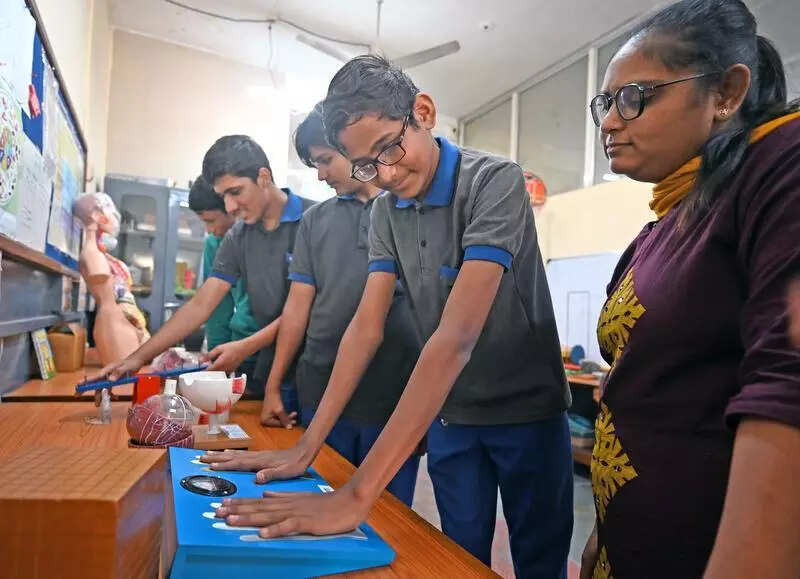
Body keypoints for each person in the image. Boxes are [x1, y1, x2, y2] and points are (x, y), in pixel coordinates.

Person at [210, 56, 573, 578]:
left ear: (422, 112)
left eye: (388, 148)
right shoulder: (385, 210)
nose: (384, 173)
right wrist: (305, 447)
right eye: (364, 165)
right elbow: (366, 327)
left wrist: (359, 493)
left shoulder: (496, 182)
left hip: (527, 414)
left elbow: (456, 337)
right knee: (459, 557)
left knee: (540, 559)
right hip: (451, 418)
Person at [577, 1, 800, 577]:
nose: (608, 122)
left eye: (633, 98)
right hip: (634, 541)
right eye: (604, 103)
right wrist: (606, 529)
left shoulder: (781, 163)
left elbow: (787, 385)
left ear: (725, 94)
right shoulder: (665, 224)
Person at [206, 106, 420, 504]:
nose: (319, 173)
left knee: (388, 513)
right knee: (314, 498)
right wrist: (273, 387)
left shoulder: (407, 212)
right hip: (319, 385)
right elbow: (297, 310)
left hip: (391, 389)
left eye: (325, 160)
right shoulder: (316, 220)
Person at [90, 136, 314, 411]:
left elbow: (306, 309)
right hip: (267, 367)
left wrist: (244, 346)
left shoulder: (314, 220)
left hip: (313, 368)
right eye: (223, 197)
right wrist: (137, 359)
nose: (230, 207)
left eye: (236, 191)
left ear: (263, 177)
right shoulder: (239, 236)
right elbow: (201, 304)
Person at [188, 175, 261, 379]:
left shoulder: (257, 236)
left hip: (263, 347)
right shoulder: (214, 243)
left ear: (231, 209)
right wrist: (216, 358)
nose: (209, 230)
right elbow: (216, 307)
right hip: (234, 350)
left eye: (211, 221)